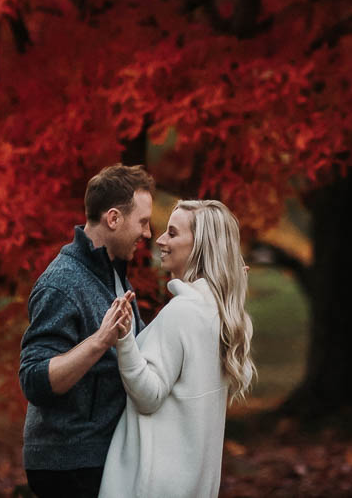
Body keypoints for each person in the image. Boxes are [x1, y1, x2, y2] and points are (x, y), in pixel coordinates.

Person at [99, 200, 255, 498]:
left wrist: (124, 337)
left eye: (172, 233)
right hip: (193, 483)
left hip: (152, 484)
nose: (159, 240)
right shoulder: (223, 315)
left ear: (199, 247)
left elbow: (149, 396)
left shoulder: (182, 313)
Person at [19, 164, 154, 498]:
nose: (148, 233)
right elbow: (34, 380)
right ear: (113, 219)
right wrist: (99, 341)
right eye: (143, 222)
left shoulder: (114, 277)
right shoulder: (62, 283)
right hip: (69, 465)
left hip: (101, 456)